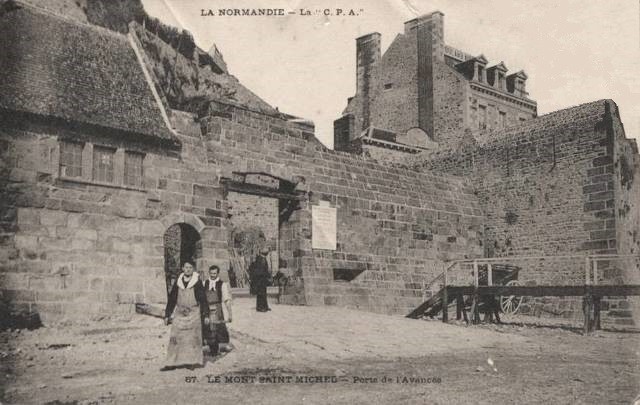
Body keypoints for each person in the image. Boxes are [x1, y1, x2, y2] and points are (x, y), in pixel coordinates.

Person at [161, 261, 210, 371]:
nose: (188, 269)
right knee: (175, 337)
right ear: (183, 268)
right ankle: (171, 363)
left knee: (192, 339)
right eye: (186, 267)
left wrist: (206, 315)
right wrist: (167, 314)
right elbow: (172, 299)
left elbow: (203, 300)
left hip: (193, 313)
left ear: (193, 269)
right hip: (180, 313)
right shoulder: (178, 281)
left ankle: (191, 362)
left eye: (190, 267)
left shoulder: (197, 282)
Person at [201, 265, 232, 356]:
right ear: (209, 273)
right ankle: (211, 348)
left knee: (218, 328)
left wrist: (230, 313)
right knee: (208, 328)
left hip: (217, 309)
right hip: (207, 308)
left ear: (218, 273)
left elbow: (226, 299)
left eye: (215, 273)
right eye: (211, 273)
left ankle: (217, 348)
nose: (213, 275)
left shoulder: (222, 284)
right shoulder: (204, 283)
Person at [249, 247, 271, 312]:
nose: (267, 252)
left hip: (262, 279)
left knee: (263, 293)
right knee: (260, 294)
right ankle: (260, 307)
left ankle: (265, 306)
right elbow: (259, 270)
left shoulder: (263, 259)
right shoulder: (260, 259)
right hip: (260, 280)